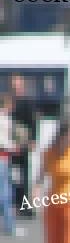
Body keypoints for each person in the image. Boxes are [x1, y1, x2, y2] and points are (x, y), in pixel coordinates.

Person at [10, 75, 37, 216]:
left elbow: (33, 122)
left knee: (24, 176)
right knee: (13, 176)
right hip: (10, 144)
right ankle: (14, 203)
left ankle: (24, 206)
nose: (16, 87)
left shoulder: (27, 101)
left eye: (18, 84)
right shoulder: (10, 101)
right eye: (14, 85)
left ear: (23, 85)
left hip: (23, 143)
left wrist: (33, 140)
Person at [0, 94, 16, 235]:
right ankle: (9, 226)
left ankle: (9, 225)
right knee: (5, 193)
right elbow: (4, 141)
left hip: (4, 157)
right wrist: (13, 147)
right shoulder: (4, 119)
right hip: (2, 157)